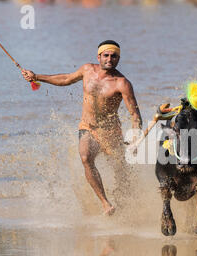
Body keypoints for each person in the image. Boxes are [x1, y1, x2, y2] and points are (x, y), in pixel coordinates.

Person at [21, 40, 142, 216]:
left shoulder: (122, 83)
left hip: (110, 130)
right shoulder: (87, 70)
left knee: (121, 171)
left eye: (114, 56)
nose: (109, 59)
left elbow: (135, 114)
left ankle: (128, 204)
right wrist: (37, 77)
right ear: (98, 57)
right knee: (85, 157)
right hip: (88, 126)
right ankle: (105, 204)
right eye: (106, 55)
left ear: (118, 58)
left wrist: (135, 137)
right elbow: (65, 79)